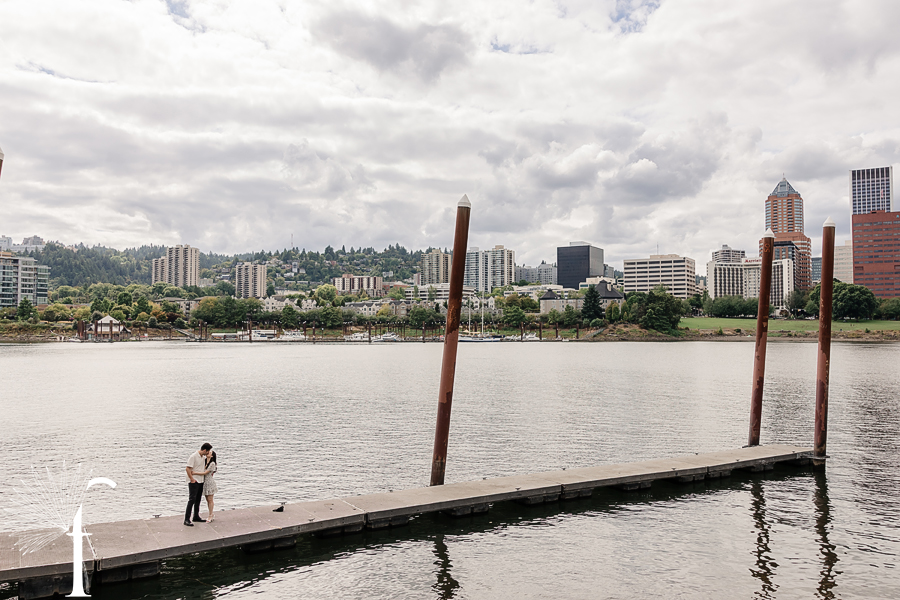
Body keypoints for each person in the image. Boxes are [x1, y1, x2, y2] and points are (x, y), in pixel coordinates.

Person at [185, 442, 212, 526]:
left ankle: (196, 516)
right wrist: (192, 479)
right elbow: (188, 468)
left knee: (198, 499)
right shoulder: (193, 456)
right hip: (194, 481)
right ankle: (186, 519)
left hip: (201, 481)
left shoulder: (203, 457)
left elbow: (205, 467)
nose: (208, 453)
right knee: (191, 499)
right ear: (204, 450)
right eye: (208, 451)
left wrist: (208, 457)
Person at [194, 450, 218, 522]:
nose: (208, 453)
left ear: (212, 456)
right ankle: (211, 513)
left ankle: (210, 515)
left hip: (209, 482)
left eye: (210, 452)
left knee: (210, 499)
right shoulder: (204, 461)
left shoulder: (212, 464)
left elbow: (205, 473)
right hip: (204, 483)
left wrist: (194, 472)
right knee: (207, 499)